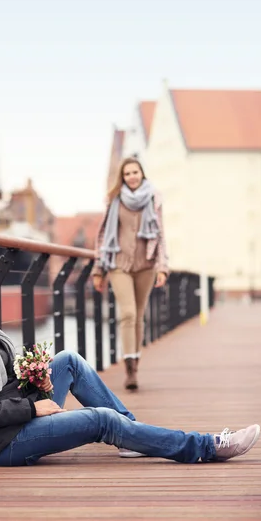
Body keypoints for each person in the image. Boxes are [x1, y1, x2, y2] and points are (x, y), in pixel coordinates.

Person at [0, 264, 260, 467]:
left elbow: (1, 389)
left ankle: (132, 436)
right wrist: (33, 409)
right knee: (102, 420)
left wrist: (33, 383)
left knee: (68, 361)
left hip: (15, 417)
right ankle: (205, 447)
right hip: (2, 444)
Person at [92, 157, 169, 390]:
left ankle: (136, 362)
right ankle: (129, 371)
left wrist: (162, 267)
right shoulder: (114, 199)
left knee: (138, 314)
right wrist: (98, 269)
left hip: (146, 265)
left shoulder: (154, 199)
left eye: (135, 172)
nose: (132, 177)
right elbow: (103, 235)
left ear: (142, 174)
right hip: (119, 264)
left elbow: (160, 234)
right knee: (127, 313)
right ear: (122, 177)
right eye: (127, 174)